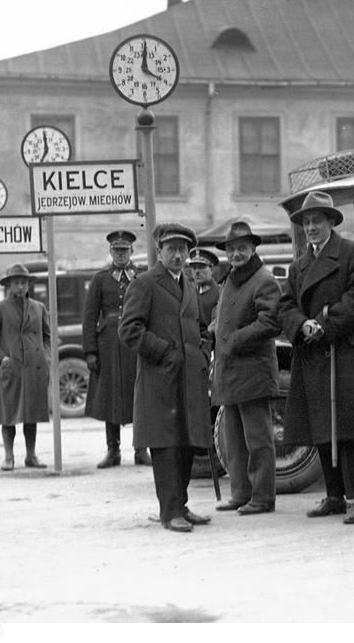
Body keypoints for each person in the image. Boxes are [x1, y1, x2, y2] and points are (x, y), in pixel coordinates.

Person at [278, 191, 354, 524]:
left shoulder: (353, 254)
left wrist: (324, 324)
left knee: (348, 429)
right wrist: (302, 324)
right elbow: (284, 305)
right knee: (322, 426)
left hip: (346, 350)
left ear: (330, 223)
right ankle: (334, 496)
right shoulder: (299, 266)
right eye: (307, 223)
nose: (311, 228)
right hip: (314, 353)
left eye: (317, 222)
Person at [119, 223, 213, 533]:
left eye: (182, 250)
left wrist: (202, 350)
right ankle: (169, 511)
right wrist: (164, 352)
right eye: (171, 249)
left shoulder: (187, 284)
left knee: (187, 443)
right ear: (159, 251)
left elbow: (201, 327)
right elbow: (129, 330)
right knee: (167, 446)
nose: (177, 255)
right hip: (160, 380)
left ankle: (181, 506)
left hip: (189, 380)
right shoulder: (145, 283)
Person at [210, 222, 281, 515]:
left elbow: (271, 322)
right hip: (230, 372)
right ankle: (241, 494)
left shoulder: (264, 279)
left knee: (258, 439)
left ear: (253, 249)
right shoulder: (230, 280)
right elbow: (222, 317)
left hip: (253, 371)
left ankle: (263, 498)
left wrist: (233, 340)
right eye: (231, 249)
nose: (236, 254)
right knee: (233, 440)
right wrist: (213, 332)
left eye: (241, 248)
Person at [83, 230, 149, 469]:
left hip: (136, 342)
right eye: (117, 251)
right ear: (111, 252)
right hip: (108, 345)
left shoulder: (141, 277)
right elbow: (90, 316)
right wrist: (90, 351)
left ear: (132, 252)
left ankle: (141, 449)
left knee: (140, 394)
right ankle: (113, 450)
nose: (121, 255)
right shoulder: (100, 279)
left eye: (125, 251)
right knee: (110, 396)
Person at [0, 263, 51, 471]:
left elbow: (48, 336)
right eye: (16, 283)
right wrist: (1, 359)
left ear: (28, 285)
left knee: (33, 415)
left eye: (24, 282)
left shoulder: (39, 308)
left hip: (35, 369)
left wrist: (45, 356)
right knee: (8, 415)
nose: (20, 287)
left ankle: (31, 455)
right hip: (12, 370)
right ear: (9, 285)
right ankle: (8, 457)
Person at [187, 247, 220, 329]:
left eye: (201, 267)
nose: (197, 271)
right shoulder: (189, 293)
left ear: (212, 270)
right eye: (194, 268)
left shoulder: (221, 293)